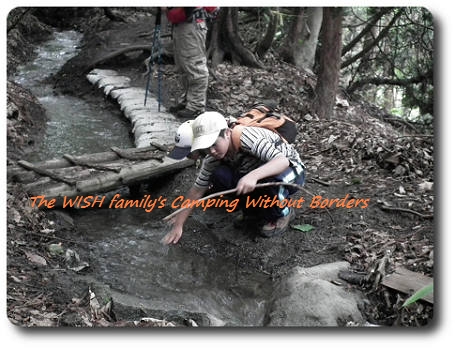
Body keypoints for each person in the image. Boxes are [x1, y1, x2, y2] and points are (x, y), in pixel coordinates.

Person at [162, 111, 305, 245]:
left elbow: (282, 161)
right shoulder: (211, 159)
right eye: (206, 148)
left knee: (271, 182)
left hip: (290, 170)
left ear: (227, 133)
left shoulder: (247, 137)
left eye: (214, 144)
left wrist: (252, 176)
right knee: (219, 176)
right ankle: (253, 212)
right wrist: (178, 224)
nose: (211, 151)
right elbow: (197, 190)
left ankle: (282, 213)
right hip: (256, 173)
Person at [164, 7, 216, 119]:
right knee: (183, 66)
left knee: (195, 66)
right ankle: (188, 101)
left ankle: (196, 106)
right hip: (182, 24)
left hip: (192, 25)